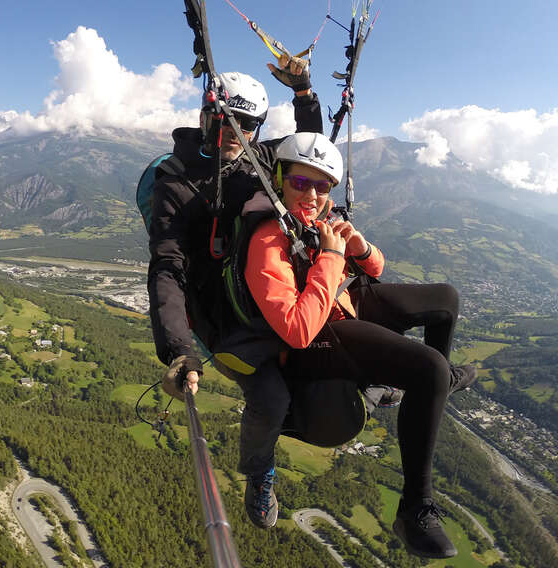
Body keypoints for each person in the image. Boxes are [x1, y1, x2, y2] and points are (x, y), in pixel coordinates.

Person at [233, 131, 476, 559]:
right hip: (315, 340)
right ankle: (414, 507)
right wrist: (330, 257)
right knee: (429, 370)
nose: (311, 194)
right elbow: (296, 329)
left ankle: (437, 383)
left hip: (338, 306)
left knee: (445, 301)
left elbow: (375, 269)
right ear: (278, 180)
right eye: (300, 183)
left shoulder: (312, 223)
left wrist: (359, 248)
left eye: (322, 186)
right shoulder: (267, 240)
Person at [148, 55, 322, 397]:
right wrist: (179, 349)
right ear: (205, 117)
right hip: (223, 314)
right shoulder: (175, 185)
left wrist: (303, 93)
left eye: (247, 125)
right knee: (270, 399)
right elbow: (168, 267)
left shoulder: (261, 158)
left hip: (272, 293)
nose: (235, 133)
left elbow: (311, 149)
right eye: (226, 120)